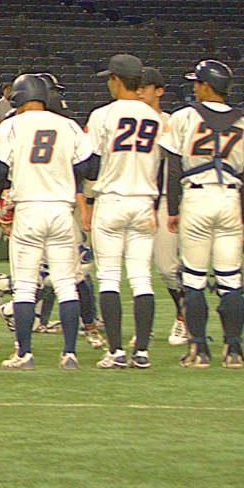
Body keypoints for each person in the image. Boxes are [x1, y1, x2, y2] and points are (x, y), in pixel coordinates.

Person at [0, 74, 98, 371]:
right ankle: (69, 354)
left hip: (29, 209)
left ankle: (24, 354)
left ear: (17, 97)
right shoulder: (67, 124)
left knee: (25, 287)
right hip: (62, 210)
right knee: (66, 284)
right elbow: (88, 167)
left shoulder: (11, 125)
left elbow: (0, 170)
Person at [163, 60, 244, 368]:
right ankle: (234, 351)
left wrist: (173, 209)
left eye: (197, 82)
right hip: (230, 198)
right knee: (231, 280)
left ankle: (199, 349)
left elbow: (174, 166)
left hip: (197, 197)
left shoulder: (184, 117)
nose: (194, 87)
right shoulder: (243, 122)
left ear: (206, 86)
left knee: (193, 279)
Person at [83, 55, 164, 370]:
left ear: (117, 80)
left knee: (109, 278)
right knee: (142, 278)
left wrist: (88, 193)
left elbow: (92, 164)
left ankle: (116, 351)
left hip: (113, 200)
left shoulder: (103, 114)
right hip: (144, 201)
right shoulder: (157, 118)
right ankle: (141, 351)